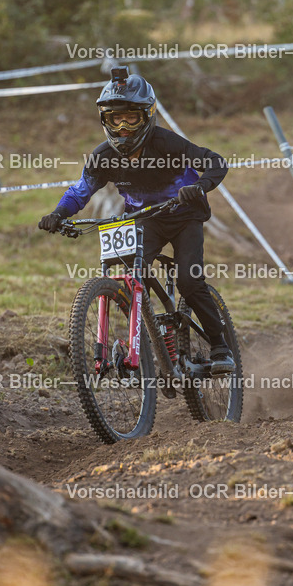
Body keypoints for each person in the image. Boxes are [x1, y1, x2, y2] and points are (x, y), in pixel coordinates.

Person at [39, 67, 234, 371]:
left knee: (188, 280)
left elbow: (215, 162)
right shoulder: (103, 156)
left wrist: (198, 186)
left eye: (131, 117)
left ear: (147, 116)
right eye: (116, 119)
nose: (124, 127)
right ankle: (141, 348)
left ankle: (221, 345)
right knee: (131, 278)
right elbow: (80, 191)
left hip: (184, 216)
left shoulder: (168, 144)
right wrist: (57, 214)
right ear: (106, 120)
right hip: (144, 219)